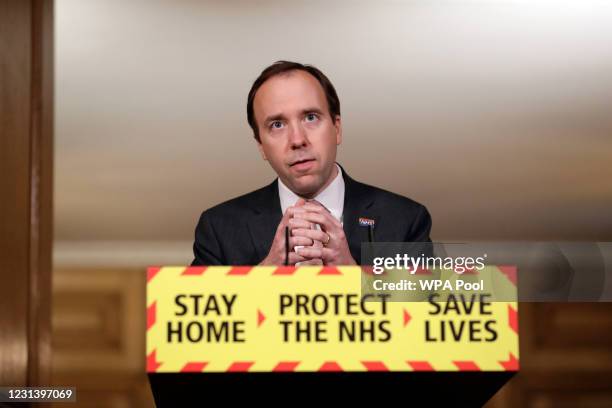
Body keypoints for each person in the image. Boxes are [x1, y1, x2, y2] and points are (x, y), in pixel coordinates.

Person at [192, 61, 431, 266]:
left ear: (337, 128)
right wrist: (263, 277)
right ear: (261, 145)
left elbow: (428, 314)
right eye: (277, 124)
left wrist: (355, 277)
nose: (297, 140)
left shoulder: (405, 219)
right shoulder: (218, 228)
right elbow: (191, 316)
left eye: (310, 117)